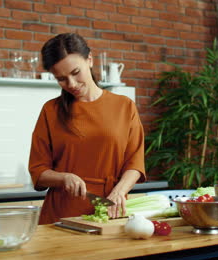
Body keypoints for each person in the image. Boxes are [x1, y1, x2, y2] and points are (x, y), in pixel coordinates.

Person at [28, 33, 146, 225]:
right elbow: (38, 172)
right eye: (61, 79)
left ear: (89, 60)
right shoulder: (51, 111)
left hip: (111, 211)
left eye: (75, 73)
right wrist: (64, 178)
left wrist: (119, 192)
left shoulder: (124, 106)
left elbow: (135, 163)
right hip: (61, 217)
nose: (71, 84)